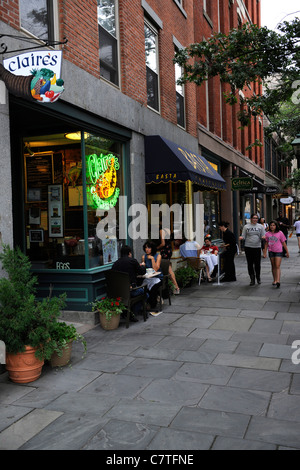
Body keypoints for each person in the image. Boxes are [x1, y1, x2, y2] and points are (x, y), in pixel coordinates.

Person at [111, 245, 147, 321]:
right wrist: (143, 266)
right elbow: (141, 271)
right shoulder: (132, 261)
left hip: (118, 292)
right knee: (146, 294)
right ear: (129, 253)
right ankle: (132, 313)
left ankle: (126, 312)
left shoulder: (116, 263)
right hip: (131, 291)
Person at [239, 213, 265, 285]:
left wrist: (263, 237)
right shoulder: (246, 226)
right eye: (253, 218)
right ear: (251, 219)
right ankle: (252, 278)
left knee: (257, 264)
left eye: (256, 218)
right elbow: (243, 235)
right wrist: (241, 238)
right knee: (250, 263)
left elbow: (263, 235)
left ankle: (258, 277)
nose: (255, 219)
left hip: (257, 247)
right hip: (248, 247)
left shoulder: (260, 226)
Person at [263, 220, 289, 288]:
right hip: (271, 251)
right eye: (271, 225)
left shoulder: (280, 233)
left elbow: (283, 243)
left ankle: (278, 281)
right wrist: (265, 253)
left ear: (276, 226)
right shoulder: (267, 234)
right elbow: (266, 244)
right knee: (273, 265)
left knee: (277, 265)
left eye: (273, 225)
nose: (272, 226)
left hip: (278, 251)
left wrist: (287, 252)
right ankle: (274, 280)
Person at [156, 224, 180, 294]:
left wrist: (156, 248)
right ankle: (173, 287)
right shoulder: (168, 230)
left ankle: (176, 287)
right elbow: (172, 241)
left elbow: (163, 243)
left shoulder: (161, 230)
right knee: (168, 268)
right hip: (169, 250)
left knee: (169, 269)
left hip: (164, 251)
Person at [141, 241, 163, 311]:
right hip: (148, 278)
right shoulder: (144, 257)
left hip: (158, 278)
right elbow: (143, 269)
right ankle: (146, 303)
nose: (147, 249)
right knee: (143, 287)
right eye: (146, 247)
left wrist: (153, 259)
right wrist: (142, 266)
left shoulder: (158, 256)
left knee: (153, 288)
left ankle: (152, 304)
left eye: (149, 247)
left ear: (152, 248)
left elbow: (156, 269)